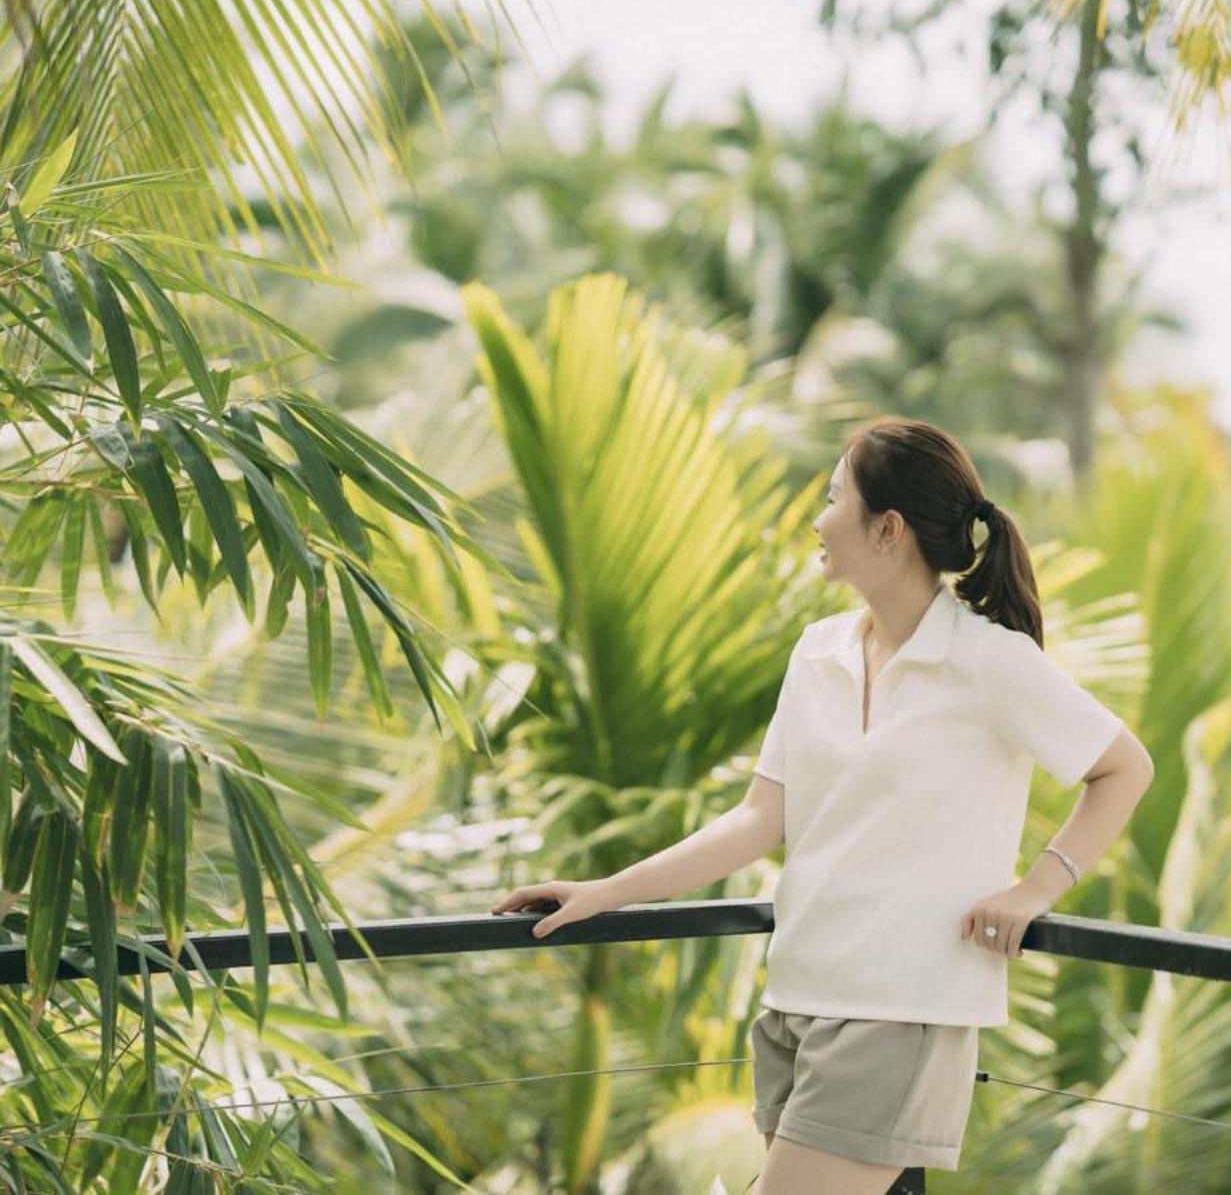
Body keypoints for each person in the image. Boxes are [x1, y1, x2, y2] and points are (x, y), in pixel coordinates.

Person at [491, 418, 1155, 1194]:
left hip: (899, 1011)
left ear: (888, 529)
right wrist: (602, 893)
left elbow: (1123, 767)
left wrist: (1036, 888)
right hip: (794, 1001)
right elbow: (759, 820)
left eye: (834, 496)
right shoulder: (818, 652)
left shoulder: (988, 661)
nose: (818, 517)